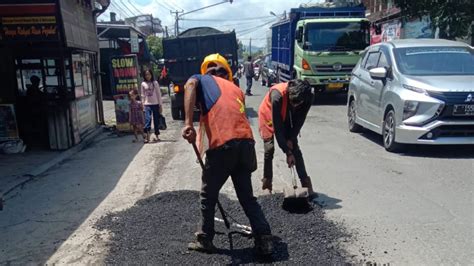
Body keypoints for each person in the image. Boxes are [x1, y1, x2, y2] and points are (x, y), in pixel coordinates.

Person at [182, 53, 273, 256]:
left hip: (224, 145)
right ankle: (265, 239)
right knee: (247, 197)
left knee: (208, 195)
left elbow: (189, 86)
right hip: (246, 145)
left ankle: (205, 239)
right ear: (228, 74)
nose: (214, 74)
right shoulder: (237, 89)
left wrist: (188, 123)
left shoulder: (203, 79)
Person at [258, 79, 316, 197]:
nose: (296, 104)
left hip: (288, 115)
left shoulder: (308, 97)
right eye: (294, 102)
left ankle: (306, 183)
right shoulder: (277, 96)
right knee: (269, 149)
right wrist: (287, 152)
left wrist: (291, 138)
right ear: (289, 93)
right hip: (269, 114)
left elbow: (300, 120)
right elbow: (278, 127)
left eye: (298, 103)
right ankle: (267, 185)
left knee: (295, 147)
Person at [140, 69, 163, 142]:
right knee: (148, 120)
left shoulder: (155, 83)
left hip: (155, 104)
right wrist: (142, 104)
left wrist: (160, 105)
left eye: (149, 74)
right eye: (146, 75)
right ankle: (147, 136)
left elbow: (159, 94)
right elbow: (142, 95)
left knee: (156, 120)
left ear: (151, 75)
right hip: (147, 105)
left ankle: (157, 136)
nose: (147, 76)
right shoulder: (143, 84)